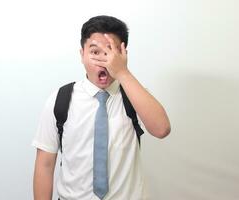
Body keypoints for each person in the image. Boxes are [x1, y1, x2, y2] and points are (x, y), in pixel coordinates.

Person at [32, 15, 171, 200]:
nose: (102, 60)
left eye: (109, 52)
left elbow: (162, 129)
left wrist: (122, 72)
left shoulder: (135, 95)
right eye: (95, 52)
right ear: (81, 54)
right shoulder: (60, 99)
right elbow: (45, 165)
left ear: (123, 54)